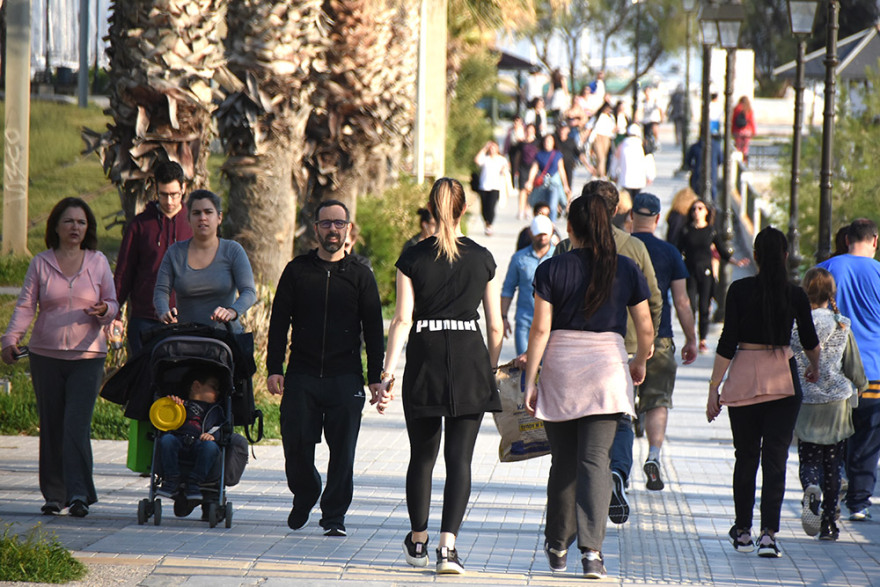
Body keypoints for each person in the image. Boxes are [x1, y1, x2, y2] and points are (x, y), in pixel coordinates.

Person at [524, 191, 654, 580]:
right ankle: (592, 553)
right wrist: (639, 360)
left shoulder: (551, 269)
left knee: (562, 461)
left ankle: (557, 544)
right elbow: (646, 328)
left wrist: (530, 380)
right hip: (607, 369)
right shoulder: (627, 269)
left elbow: (540, 329)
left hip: (562, 368)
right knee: (595, 461)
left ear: (570, 228)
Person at [378, 178, 503, 575]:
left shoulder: (413, 258)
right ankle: (448, 549)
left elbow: (401, 319)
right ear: (464, 209)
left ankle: (418, 540)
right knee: (460, 459)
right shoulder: (482, 258)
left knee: (423, 456)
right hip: (470, 357)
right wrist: (492, 368)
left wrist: (387, 373)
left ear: (431, 209)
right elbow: (496, 327)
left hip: (426, 355)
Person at [266, 199, 385, 537]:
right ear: (315, 229)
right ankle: (305, 491)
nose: (333, 229)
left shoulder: (361, 275)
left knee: (343, 451)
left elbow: (374, 328)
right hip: (302, 375)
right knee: (295, 444)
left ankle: (334, 516)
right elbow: (278, 322)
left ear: (349, 229)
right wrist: (275, 367)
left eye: (339, 223)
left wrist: (374, 377)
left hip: (344, 377)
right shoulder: (297, 270)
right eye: (326, 223)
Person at [706, 227, 820, 559]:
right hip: (782, 379)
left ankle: (742, 531)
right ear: (786, 256)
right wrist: (814, 367)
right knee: (775, 460)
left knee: (746, 458)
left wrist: (714, 388)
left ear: (754, 256)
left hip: (743, 376)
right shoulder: (795, 294)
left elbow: (728, 341)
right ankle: (768, 535)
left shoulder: (739, 290)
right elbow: (810, 341)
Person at [553, 180, 662, 526]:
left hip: (570, 352)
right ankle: (616, 473)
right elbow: (655, 302)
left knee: (576, 435)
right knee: (621, 417)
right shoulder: (633, 249)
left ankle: (568, 528)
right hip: (622, 349)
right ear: (615, 211)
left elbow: (548, 305)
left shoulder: (563, 250)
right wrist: (646, 351)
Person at [1, 197, 119, 517]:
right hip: (45, 355)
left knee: (75, 426)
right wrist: (10, 339)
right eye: (69, 221)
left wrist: (105, 310)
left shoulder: (97, 262)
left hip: (88, 356)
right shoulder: (41, 263)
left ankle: (80, 494)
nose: (75, 228)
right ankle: (54, 494)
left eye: (81, 222)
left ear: (88, 228)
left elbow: (113, 302)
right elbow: (26, 307)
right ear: (56, 226)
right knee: (52, 425)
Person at [791, 268, 867, 541]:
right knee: (834, 464)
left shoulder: (796, 324)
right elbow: (853, 366)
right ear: (830, 293)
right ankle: (829, 524)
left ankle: (811, 485)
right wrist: (861, 385)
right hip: (837, 402)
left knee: (809, 458)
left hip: (806, 401)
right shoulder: (841, 325)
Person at [629, 193, 698, 491]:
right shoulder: (670, 252)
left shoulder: (621, 247)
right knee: (657, 400)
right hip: (661, 337)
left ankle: (620, 466)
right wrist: (692, 339)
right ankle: (653, 455)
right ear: (657, 219)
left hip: (623, 337)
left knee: (621, 405)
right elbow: (682, 301)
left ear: (631, 217)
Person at [818, 218, 880, 522]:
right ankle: (859, 502)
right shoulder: (879, 273)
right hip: (874, 371)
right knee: (869, 438)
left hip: (836, 369)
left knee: (835, 435)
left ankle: (830, 493)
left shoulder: (828, 269)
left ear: (846, 240)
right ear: (875, 241)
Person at [112, 161, 192, 352]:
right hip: (145, 320)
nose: (170, 201)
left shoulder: (196, 224)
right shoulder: (139, 226)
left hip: (187, 321)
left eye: (174, 194)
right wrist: (114, 314)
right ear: (155, 190)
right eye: (164, 195)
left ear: (184, 188)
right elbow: (124, 274)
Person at [154, 190, 256, 334]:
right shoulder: (175, 252)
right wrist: (164, 312)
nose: (202, 218)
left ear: (219, 217)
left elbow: (249, 292)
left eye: (208, 212)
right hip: (186, 338)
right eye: (196, 213)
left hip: (225, 339)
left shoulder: (233, 250)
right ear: (188, 219)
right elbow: (161, 290)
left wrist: (232, 312)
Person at [677, 200, 749, 353]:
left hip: (706, 272)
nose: (696, 211)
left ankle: (702, 340)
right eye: (694, 208)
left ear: (706, 212)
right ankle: (690, 338)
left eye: (700, 208)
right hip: (689, 272)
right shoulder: (685, 231)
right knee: (690, 306)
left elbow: (722, 251)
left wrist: (736, 261)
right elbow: (677, 251)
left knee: (704, 307)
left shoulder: (711, 231)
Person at [156, 367, 226, 502]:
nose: (217, 392)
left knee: (211, 447)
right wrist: (169, 405)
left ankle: (194, 482)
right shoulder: (180, 404)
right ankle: (171, 479)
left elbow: (221, 427)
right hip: (178, 438)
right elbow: (163, 420)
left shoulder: (216, 410)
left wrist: (213, 437)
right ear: (196, 386)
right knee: (167, 440)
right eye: (213, 387)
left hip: (201, 443)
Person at [502, 215, 557, 355]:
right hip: (525, 322)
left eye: (545, 234)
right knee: (523, 366)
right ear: (531, 233)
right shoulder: (519, 258)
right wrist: (503, 317)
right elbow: (508, 289)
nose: (543, 237)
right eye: (539, 234)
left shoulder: (558, 257)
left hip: (551, 323)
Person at [526, 134, 572, 222]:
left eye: (550, 141)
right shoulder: (539, 154)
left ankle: (552, 224)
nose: (547, 143)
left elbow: (561, 170)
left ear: (554, 143)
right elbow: (534, 168)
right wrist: (530, 181)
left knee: (552, 205)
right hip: (542, 183)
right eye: (546, 141)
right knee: (540, 205)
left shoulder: (557, 154)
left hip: (554, 183)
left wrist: (565, 185)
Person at [474, 140, 510, 236]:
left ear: (497, 149)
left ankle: (490, 225)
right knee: (484, 208)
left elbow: (506, 170)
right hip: (484, 186)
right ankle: (486, 222)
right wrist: (484, 148)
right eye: (491, 147)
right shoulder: (485, 159)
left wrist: (504, 170)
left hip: (495, 186)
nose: (492, 149)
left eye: (494, 147)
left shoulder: (501, 159)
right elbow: (477, 160)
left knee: (491, 206)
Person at [610, 124, 655, 199]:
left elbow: (615, 160)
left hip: (625, 179)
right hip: (639, 179)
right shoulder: (643, 146)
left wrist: (614, 174)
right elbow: (649, 161)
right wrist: (650, 176)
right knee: (636, 198)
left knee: (627, 198)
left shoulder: (622, 145)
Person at [686, 135, 723, 202]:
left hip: (697, 174)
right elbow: (721, 160)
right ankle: (713, 204)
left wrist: (692, 168)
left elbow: (688, 161)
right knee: (713, 190)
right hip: (712, 173)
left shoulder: (695, 147)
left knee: (696, 192)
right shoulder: (716, 146)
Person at [556, 124, 593, 189]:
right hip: (557, 167)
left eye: (564, 129)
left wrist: (588, 166)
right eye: (561, 129)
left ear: (568, 130)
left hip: (568, 166)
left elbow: (579, 154)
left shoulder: (571, 141)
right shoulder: (555, 141)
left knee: (568, 187)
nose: (562, 131)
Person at [515, 123, 540, 220]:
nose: (530, 131)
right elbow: (518, 156)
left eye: (531, 129)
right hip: (523, 167)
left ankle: (528, 209)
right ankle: (521, 210)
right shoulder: (522, 143)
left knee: (530, 190)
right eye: (528, 129)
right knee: (522, 190)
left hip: (533, 167)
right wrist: (516, 169)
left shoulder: (537, 142)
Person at [589, 103, 616, 180]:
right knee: (600, 157)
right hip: (598, 137)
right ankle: (600, 174)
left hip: (606, 137)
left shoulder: (611, 118)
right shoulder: (598, 117)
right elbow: (590, 126)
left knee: (604, 157)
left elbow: (612, 129)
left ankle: (600, 173)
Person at [732, 96, 756, 164]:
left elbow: (733, 121)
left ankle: (739, 164)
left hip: (738, 131)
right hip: (747, 131)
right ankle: (744, 162)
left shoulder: (737, 108)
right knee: (745, 149)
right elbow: (752, 121)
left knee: (738, 149)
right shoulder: (749, 109)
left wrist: (733, 131)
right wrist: (753, 131)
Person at [640, 86, 663, 154]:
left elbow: (660, 109)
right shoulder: (643, 102)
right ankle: (646, 146)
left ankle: (657, 141)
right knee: (645, 135)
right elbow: (639, 110)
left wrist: (662, 117)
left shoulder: (655, 101)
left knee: (654, 127)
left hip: (654, 119)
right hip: (646, 120)